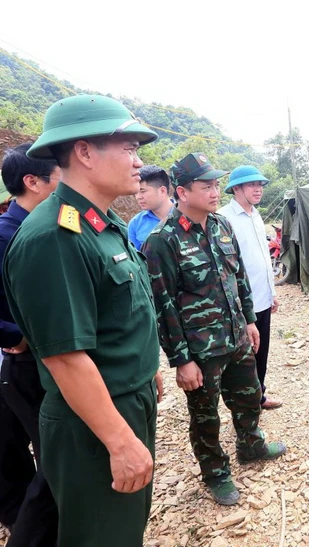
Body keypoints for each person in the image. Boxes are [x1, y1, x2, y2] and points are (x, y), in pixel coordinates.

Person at [2, 94, 163, 546]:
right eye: (128, 149)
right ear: (85, 152)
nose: (138, 162)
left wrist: (145, 368)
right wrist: (119, 441)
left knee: (122, 527)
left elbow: (115, 317)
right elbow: (66, 358)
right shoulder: (54, 236)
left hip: (121, 398)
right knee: (101, 536)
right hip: (92, 418)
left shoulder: (100, 222)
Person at [142, 153, 286, 506]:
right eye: (206, 185)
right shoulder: (163, 240)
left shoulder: (222, 225)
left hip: (236, 337)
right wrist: (181, 360)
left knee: (250, 396)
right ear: (182, 191)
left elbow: (239, 279)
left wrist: (250, 320)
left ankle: (251, 445)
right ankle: (215, 472)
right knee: (205, 416)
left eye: (216, 184)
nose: (214, 191)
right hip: (200, 349)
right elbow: (163, 306)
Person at [0, 144, 59, 546]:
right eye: (59, 178)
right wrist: (14, 335)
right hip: (25, 366)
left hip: (47, 361)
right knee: (52, 459)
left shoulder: (50, 226)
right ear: (32, 182)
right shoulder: (7, 235)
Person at [217, 166, 283, 410]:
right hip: (241, 304)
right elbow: (227, 267)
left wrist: (272, 292)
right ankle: (244, 406)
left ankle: (259, 396)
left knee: (261, 351)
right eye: (252, 185)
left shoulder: (255, 215)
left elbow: (263, 257)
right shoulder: (224, 218)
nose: (258, 189)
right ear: (236, 188)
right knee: (244, 357)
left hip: (262, 297)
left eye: (260, 185)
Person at [128, 165, 174, 250]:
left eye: (142, 191)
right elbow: (135, 259)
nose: (138, 197)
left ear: (162, 191)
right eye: (136, 192)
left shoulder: (188, 215)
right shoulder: (135, 224)